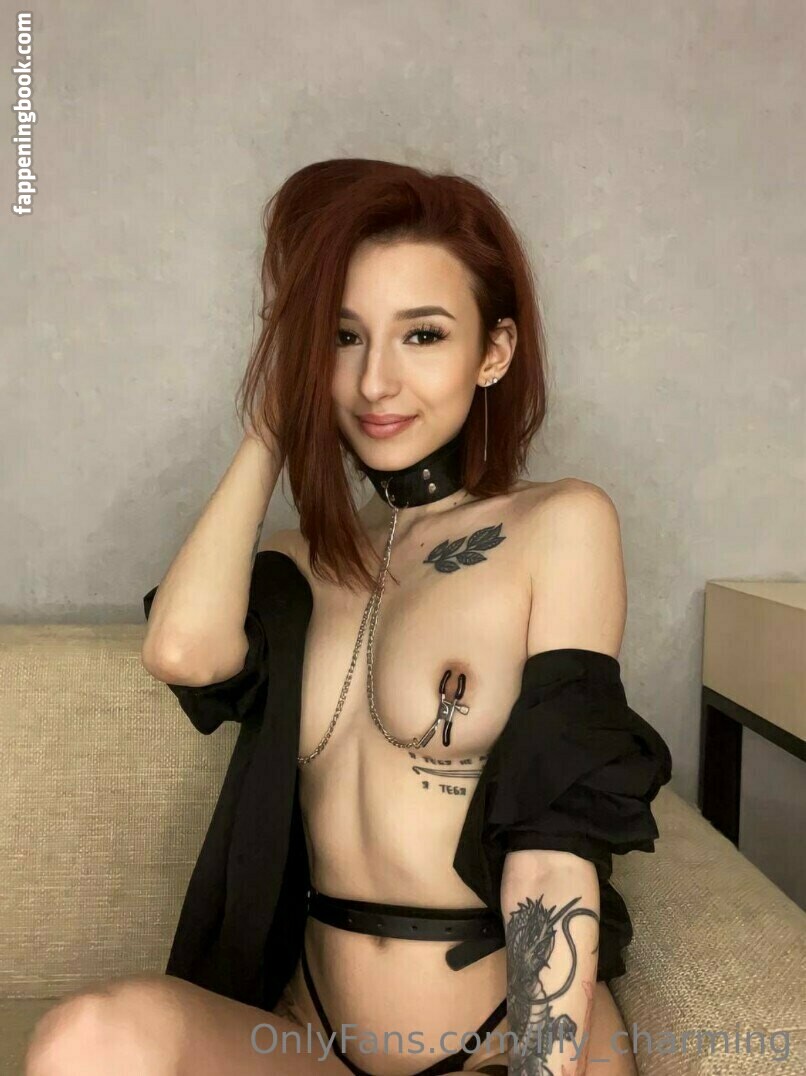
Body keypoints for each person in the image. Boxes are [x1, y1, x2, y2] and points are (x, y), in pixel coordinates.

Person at [26, 159, 671, 1076]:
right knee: (83, 1040)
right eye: (342, 336)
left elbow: (554, 844)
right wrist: (275, 419)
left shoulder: (559, 526)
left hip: (493, 1042)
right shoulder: (299, 561)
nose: (375, 381)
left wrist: (541, 1065)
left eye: (423, 335)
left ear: (493, 352)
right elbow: (181, 652)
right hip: (312, 1035)